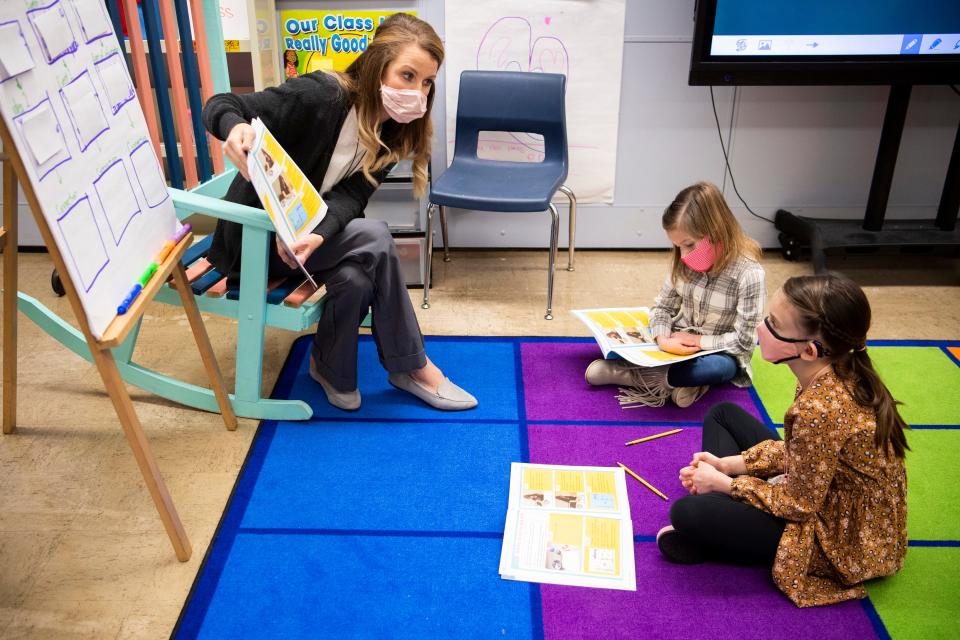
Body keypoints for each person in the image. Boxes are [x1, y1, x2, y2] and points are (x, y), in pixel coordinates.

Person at [201, 14, 476, 412]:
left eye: (427, 81)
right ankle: (412, 366)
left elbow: (351, 198)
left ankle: (331, 368)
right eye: (408, 75)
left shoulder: (392, 131)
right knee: (376, 235)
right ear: (377, 66)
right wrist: (234, 128)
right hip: (253, 245)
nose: (418, 91)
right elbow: (223, 104)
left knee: (356, 276)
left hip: (301, 247)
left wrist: (321, 234)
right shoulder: (321, 96)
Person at [657, 273, 908, 608]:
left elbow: (800, 504)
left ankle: (717, 536)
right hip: (829, 496)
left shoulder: (820, 410)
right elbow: (800, 454)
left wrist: (727, 484)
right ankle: (725, 522)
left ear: (807, 350)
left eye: (773, 323)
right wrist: (728, 465)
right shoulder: (830, 367)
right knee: (723, 414)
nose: (760, 327)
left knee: (687, 512)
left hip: (842, 539)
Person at [585, 182, 765, 408]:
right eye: (678, 246)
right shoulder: (684, 263)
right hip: (676, 343)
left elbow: (745, 341)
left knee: (717, 369)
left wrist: (699, 342)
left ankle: (634, 376)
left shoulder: (749, 274)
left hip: (719, 352)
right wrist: (662, 339)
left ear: (717, 232)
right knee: (622, 337)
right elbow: (662, 309)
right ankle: (680, 384)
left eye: (689, 245)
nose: (683, 255)